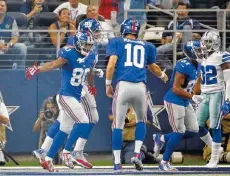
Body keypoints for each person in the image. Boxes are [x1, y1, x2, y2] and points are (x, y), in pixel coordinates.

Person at [32, 18, 103, 170]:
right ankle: (68, 152)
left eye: (89, 45)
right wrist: (37, 68)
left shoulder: (89, 54)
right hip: (67, 94)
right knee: (84, 120)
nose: (87, 47)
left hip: (77, 93)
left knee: (64, 127)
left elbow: (88, 70)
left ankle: (47, 156)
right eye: (85, 44)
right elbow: (54, 64)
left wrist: (93, 82)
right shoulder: (70, 50)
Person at [105, 18, 168, 171]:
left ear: (124, 30)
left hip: (123, 85)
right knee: (141, 120)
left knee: (117, 125)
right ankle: (137, 154)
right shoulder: (147, 45)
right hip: (140, 87)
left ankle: (117, 162)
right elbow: (153, 67)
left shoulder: (117, 42)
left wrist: (107, 84)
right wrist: (162, 76)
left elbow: (112, 63)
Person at [153, 40, 205, 171]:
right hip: (174, 100)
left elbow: (194, 86)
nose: (201, 52)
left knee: (193, 131)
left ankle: (161, 138)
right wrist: (192, 97)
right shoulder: (184, 65)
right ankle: (164, 162)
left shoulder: (199, 64)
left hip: (185, 100)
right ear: (191, 52)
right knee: (179, 131)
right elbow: (176, 88)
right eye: (198, 50)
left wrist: (196, 95)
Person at [194, 31, 230, 168]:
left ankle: (214, 159)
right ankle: (216, 148)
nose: (205, 44)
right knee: (197, 125)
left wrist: (227, 100)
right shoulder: (203, 59)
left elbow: (229, 79)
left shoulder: (222, 56)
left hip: (217, 93)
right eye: (205, 41)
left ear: (216, 43)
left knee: (215, 125)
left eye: (208, 41)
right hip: (205, 94)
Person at [157, 1, 200, 70]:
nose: (180, 12)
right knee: (157, 51)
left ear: (188, 11)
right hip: (173, 45)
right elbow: (163, 40)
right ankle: (171, 70)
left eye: (183, 10)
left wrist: (184, 35)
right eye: (179, 9)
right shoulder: (171, 23)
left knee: (187, 27)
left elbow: (197, 36)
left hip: (187, 44)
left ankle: (187, 60)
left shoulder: (193, 22)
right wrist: (167, 41)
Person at [0, 0, 27, 69]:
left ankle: (20, 70)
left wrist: (9, 45)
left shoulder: (11, 20)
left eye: (2, 6)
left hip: (7, 45)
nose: (0, 7)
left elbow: (15, 37)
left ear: (6, 8)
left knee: (22, 47)